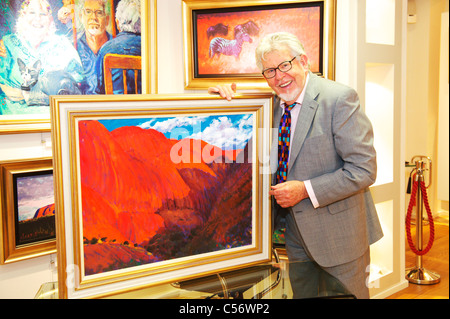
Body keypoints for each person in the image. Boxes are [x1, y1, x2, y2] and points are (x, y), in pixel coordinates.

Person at [209, 32, 383, 299]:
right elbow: (245, 150)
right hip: (295, 239)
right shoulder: (269, 105)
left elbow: (364, 169)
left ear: (303, 61)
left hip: (340, 239)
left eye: (284, 65)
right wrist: (221, 102)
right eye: (269, 71)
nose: (279, 76)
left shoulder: (339, 99)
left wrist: (305, 190)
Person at [0, 0, 83, 114]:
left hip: (56, 119)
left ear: (50, 19)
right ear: (22, 16)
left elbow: (75, 88)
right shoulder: (7, 44)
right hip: (14, 121)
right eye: (32, 13)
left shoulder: (63, 45)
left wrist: (28, 96)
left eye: (43, 14)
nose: (37, 19)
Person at [95, 0, 141, 94]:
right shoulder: (150, 49)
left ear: (117, 23)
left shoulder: (105, 50)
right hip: (145, 107)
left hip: (114, 107)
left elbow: (100, 89)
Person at [76, 0, 111, 94]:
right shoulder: (73, 46)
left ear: (107, 19)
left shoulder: (115, 46)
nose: (93, 17)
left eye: (99, 13)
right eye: (88, 12)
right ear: (81, 17)